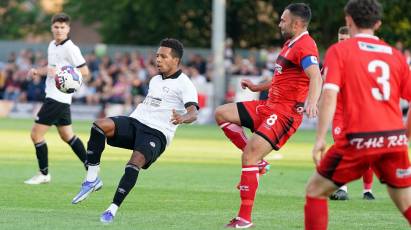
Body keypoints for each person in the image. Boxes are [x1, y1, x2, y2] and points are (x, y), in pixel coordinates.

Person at [304, 0, 411, 229]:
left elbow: (330, 95)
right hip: (394, 140)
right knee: (405, 203)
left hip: (360, 138)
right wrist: (406, 135)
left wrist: (320, 138)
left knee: (315, 190)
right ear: (378, 23)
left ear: (348, 20)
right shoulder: (395, 56)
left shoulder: (340, 51)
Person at [215, 3, 322, 228]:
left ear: (296, 23)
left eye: (283, 20)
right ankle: (260, 163)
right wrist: (257, 87)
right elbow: (281, 77)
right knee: (222, 114)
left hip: (285, 113)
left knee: (248, 158)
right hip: (268, 105)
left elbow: (315, 76)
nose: (279, 23)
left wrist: (312, 102)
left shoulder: (306, 45)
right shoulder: (289, 45)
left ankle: (244, 219)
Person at [71, 38, 199, 224]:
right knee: (99, 125)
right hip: (136, 122)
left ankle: (112, 209)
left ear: (176, 61)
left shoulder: (184, 84)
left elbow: (194, 112)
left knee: (134, 162)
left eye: (163, 56)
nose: (158, 60)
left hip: (157, 133)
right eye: (157, 56)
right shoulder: (155, 79)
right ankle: (92, 178)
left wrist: (183, 118)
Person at [24, 13, 90, 185]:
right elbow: (52, 68)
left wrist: (60, 73)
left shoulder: (71, 48)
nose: (59, 30)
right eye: (56, 27)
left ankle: (43, 173)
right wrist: (38, 71)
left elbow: (85, 72)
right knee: (67, 135)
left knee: (35, 135)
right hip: (57, 97)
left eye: (62, 27)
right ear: (52, 28)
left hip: (57, 98)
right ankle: (91, 169)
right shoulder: (52, 45)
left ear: (68, 29)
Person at [328, 26, 375, 201]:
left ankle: (367, 191)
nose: (344, 43)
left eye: (347, 39)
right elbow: (326, 82)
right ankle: (342, 189)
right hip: (340, 113)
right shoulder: (333, 57)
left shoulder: (363, 58)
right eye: (341, 39)